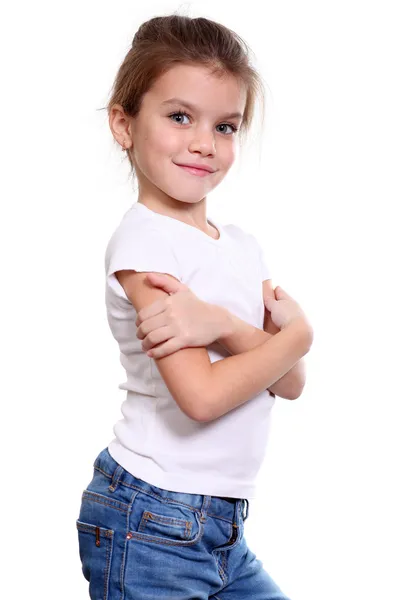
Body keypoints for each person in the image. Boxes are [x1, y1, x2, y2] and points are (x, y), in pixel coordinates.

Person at [76, 13, 313, 600]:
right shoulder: (145, 243)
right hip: (151, 519)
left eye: (226, 126)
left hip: (222, 531)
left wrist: (225, 326)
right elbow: (202, 396)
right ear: (123, 123)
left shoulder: (241, 247)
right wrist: (297, 334)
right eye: (180, 117)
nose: (205, 143)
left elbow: (290, 382)